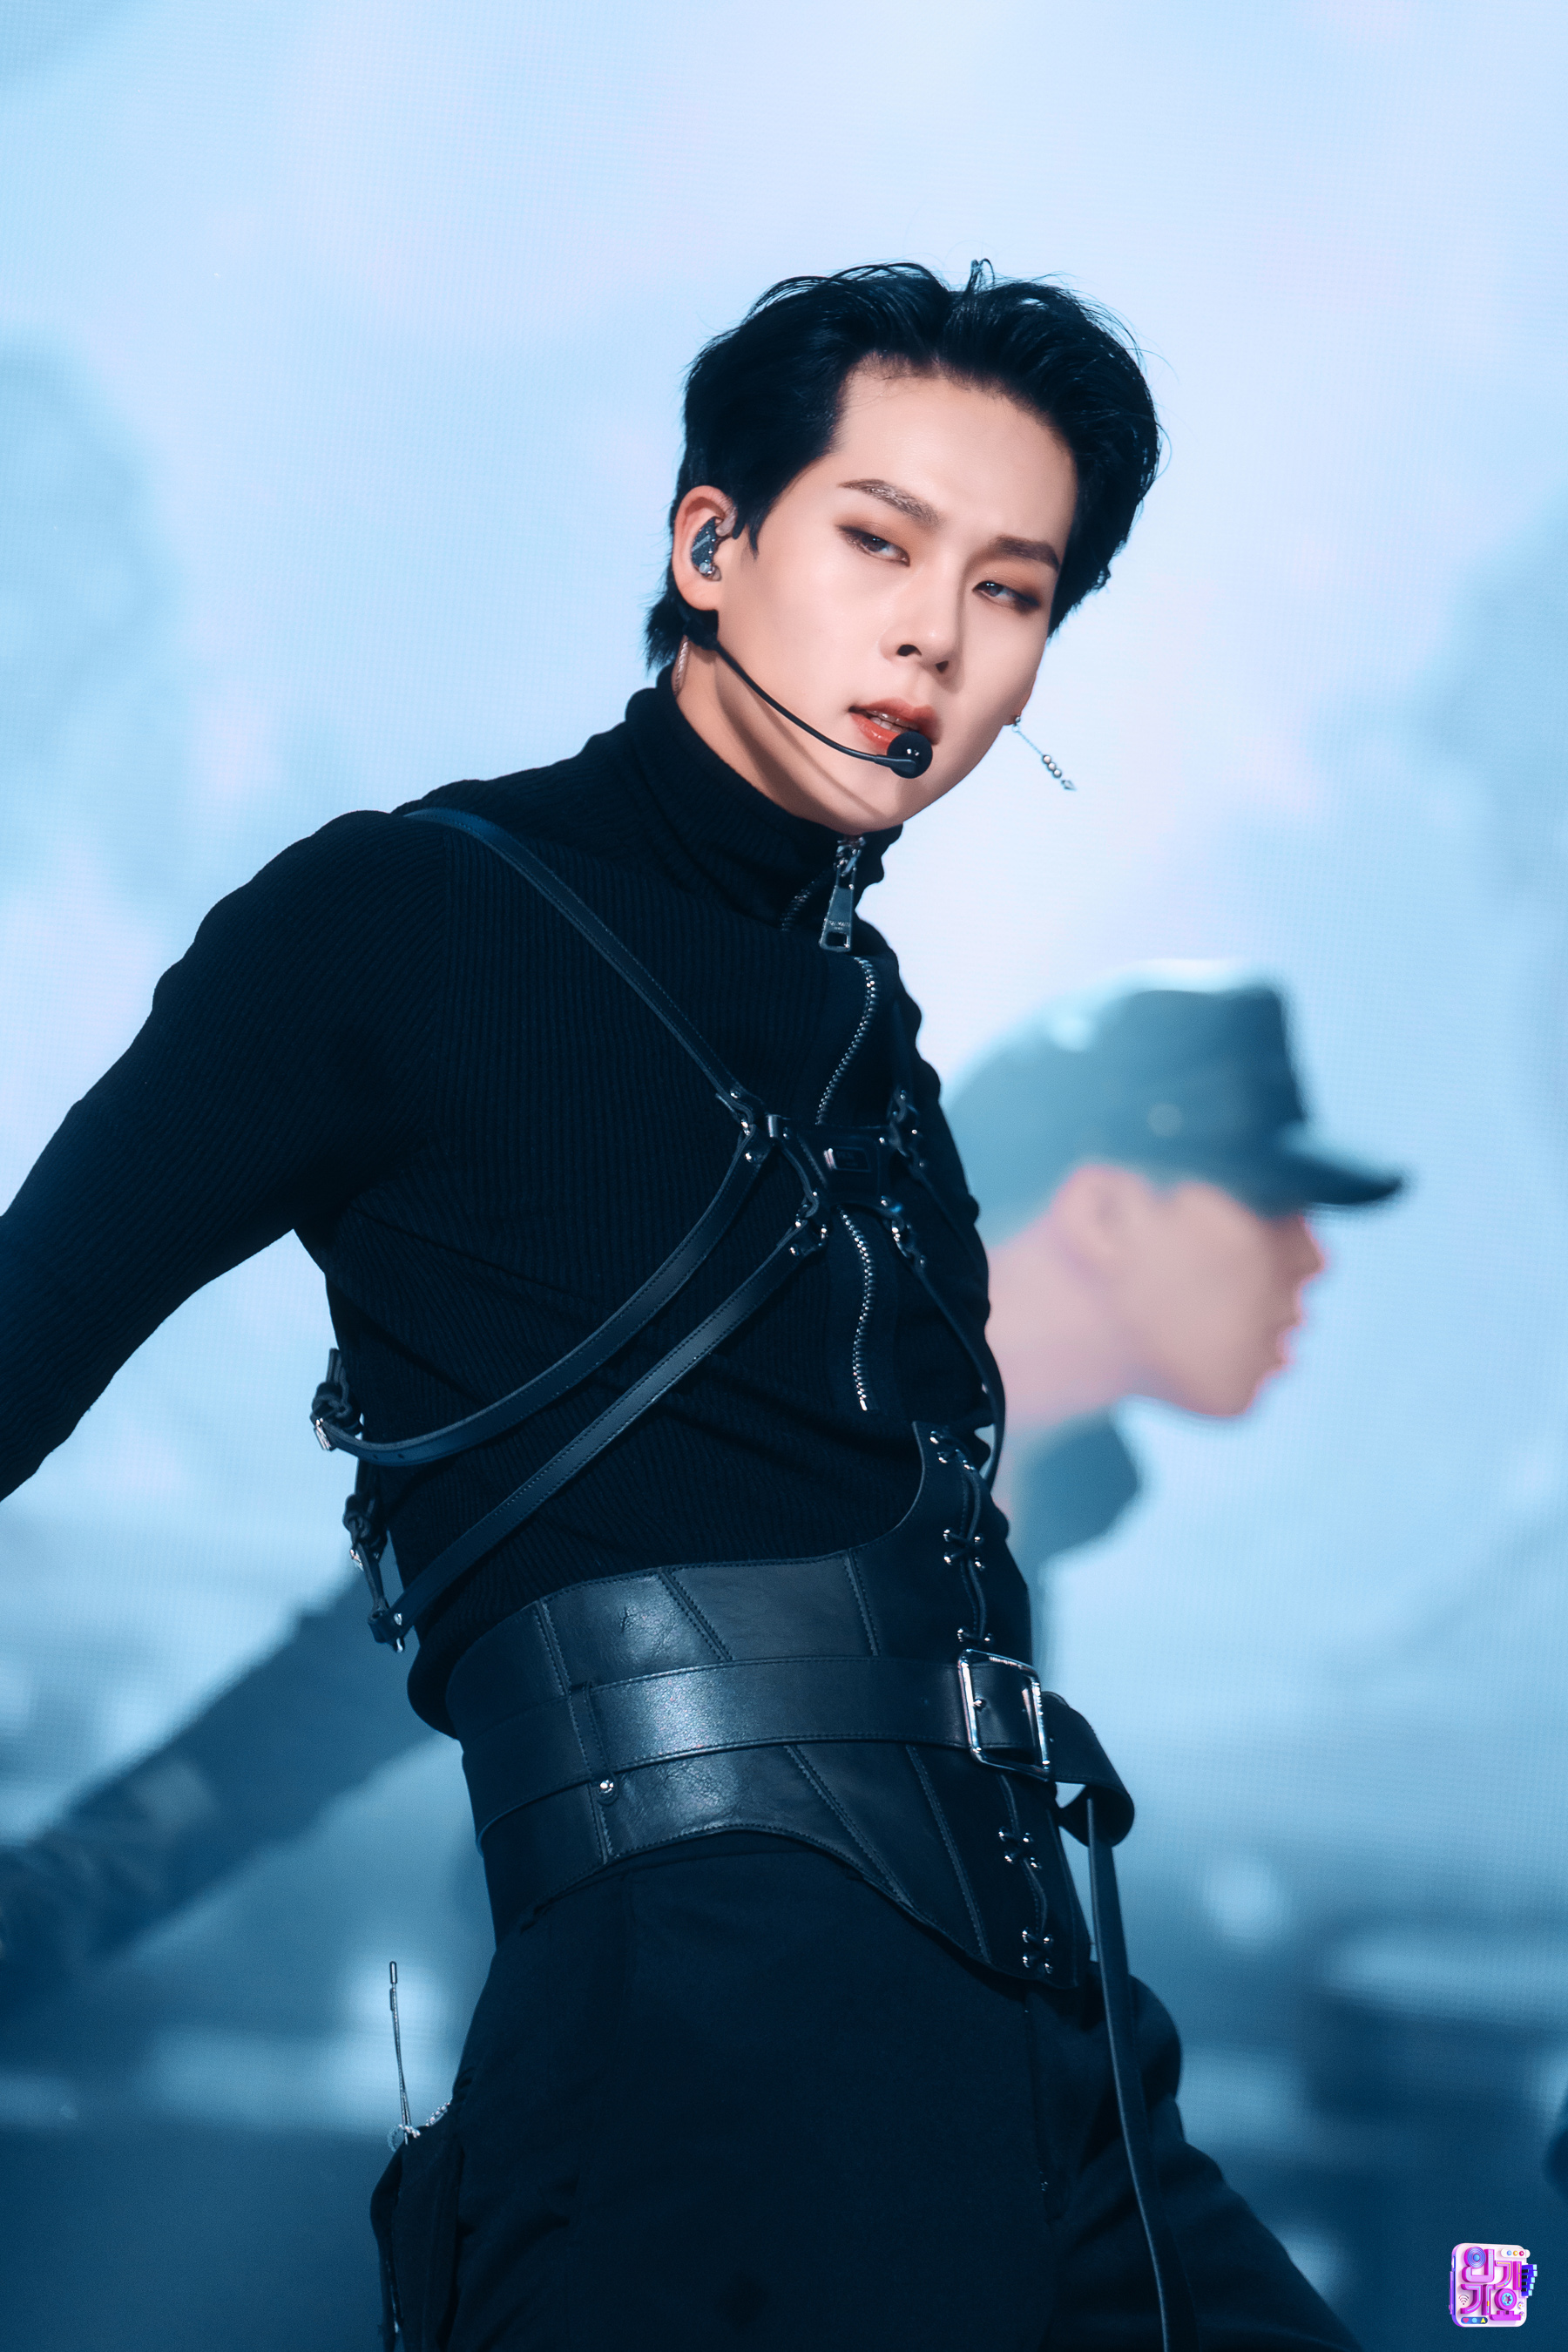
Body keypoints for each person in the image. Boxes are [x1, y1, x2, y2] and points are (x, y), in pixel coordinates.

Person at [0, 262, 1357, 2351]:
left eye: (1011, 590)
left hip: (1054, 2052)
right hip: (700, 2078)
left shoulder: (875, 1044)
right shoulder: (401, 918)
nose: (936, 636)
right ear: (710, 543)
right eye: (879, 542)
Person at [946, 968, 1403, 1661]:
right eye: (1271, 1202)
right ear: (1106, 1215)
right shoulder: (800, 1454)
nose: (1314, 1258)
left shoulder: (1028, 1511)